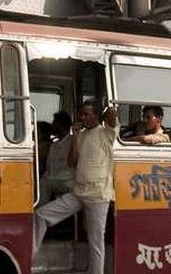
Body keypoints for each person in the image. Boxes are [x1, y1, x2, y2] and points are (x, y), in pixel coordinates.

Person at [33, 101, 119, 274]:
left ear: (96, 116)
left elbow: (111, 117)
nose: (83, 117)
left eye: (87, 114)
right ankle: (28, 258)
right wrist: (75, 135)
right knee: (41, 214)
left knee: (96, 242)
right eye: (81, 114)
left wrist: (108, 111)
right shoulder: (80, 135)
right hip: (78, 193)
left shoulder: (106, 133)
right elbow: (71, 162)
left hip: (98, 195)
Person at [41, 111, 76, 202]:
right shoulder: (54, 145)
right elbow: (49, 167)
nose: (52, 126)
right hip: (55, 179)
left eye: (54, 123)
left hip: (68, 180)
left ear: (62, 125)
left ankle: (39, 209)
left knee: (44, 183)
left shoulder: (73, 142)